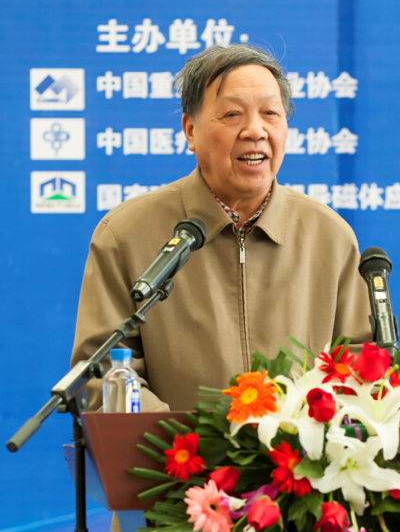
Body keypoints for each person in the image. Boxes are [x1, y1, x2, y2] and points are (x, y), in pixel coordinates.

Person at [71, 44, 372, 414]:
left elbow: (358, 369)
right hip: (175, 451)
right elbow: (105, 372)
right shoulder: (127, 234)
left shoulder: (329, 236)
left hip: (295, 452)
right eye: (232, 114)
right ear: (190, 130)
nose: (255, 131)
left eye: (270, 113)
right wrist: (188, 442)